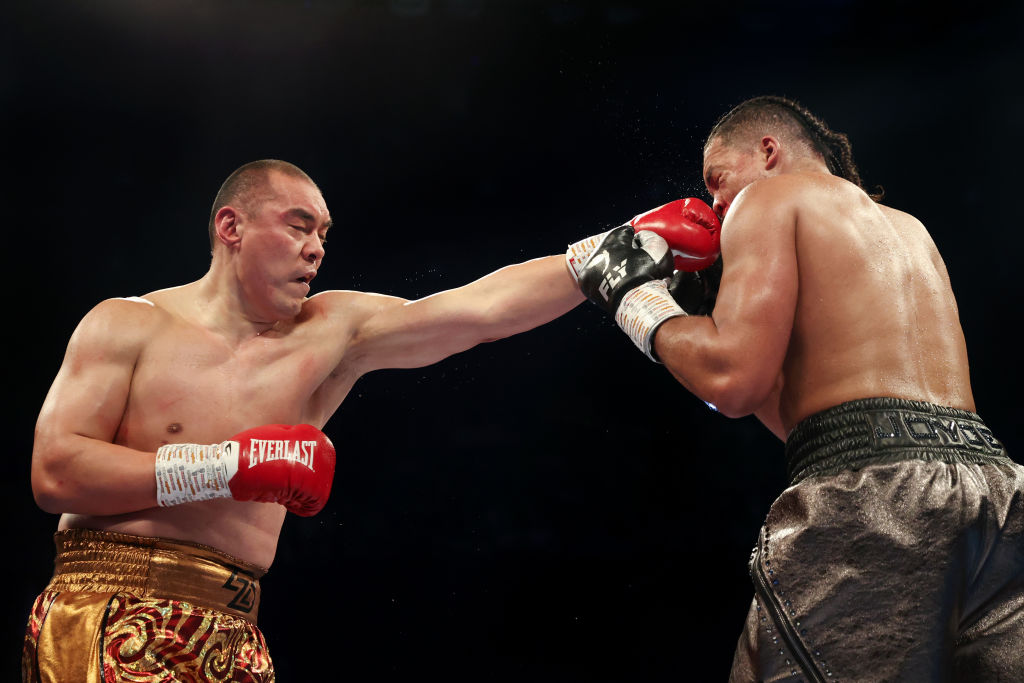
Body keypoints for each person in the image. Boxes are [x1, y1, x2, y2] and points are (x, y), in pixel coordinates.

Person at [23, 158, 721, 682]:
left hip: (236, 631)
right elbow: (55, 473)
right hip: (110, 606)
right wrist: (225, 466)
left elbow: (473, 312)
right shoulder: (128, 324)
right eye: (299, 225)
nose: (316, 247)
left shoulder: (331, 330)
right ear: (231, 227)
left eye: (323, 233)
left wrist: (607, 251)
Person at [570, 96, 1024, 681]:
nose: (716, 206)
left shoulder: (767, 198)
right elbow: (812, 422)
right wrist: (694, 320)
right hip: (999, 495)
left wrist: (634, 299)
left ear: (768, 151)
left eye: (717, 180)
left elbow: (730, 382)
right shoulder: (908, 228)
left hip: (877, 502)